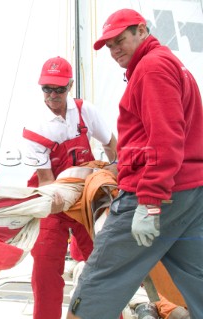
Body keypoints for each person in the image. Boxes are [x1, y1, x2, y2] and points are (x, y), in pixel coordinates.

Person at [67, 8, 203, 319]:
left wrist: (150, 202)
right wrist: (120, 165)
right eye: (110, 46)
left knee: (97, 281)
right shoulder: (171, 64)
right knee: (197, 279)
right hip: (190, 194)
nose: (115, 51)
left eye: (119, 41)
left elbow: (165, 142)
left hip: (157, 194)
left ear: (141, 30)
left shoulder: (152, 69)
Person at [22, 56, 117, 319]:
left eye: (59, 89)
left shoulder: (86, 110)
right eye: (47, 89)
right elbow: (45, 180)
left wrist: (119, 176)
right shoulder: (34, 128)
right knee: (44, 267)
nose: (52, 95)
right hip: (52, 198)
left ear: (70, 86)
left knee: (101, 263)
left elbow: (111, 145)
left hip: (86, 196)